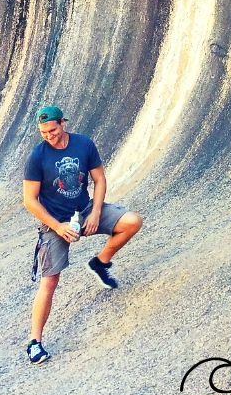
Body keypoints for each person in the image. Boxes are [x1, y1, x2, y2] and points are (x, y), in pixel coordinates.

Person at [22, 104, 143, 364]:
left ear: (62, 123)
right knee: (49, 282)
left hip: (86, 210)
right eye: (43, 132)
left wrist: (97, 212)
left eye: (52, 130)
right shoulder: (37, 156)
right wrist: (57, 227)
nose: (49, 136)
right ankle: (34, 343)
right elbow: (30, 200)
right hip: (55, 221)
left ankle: (100, 263)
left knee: (132, 222)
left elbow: (99, 180)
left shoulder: (84, 145)